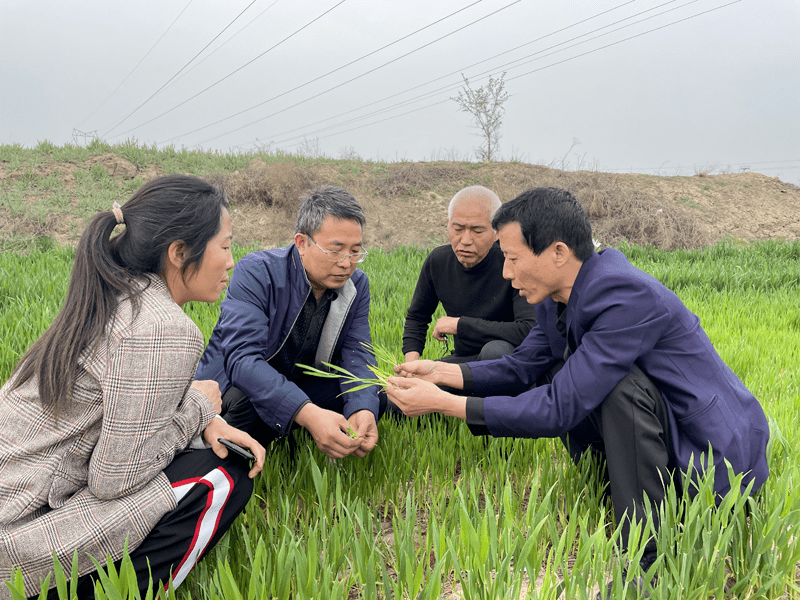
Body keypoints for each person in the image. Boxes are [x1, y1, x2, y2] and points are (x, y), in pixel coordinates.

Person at [386, 187, 770, 598]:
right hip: (669, 435)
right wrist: (441, 372)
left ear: (557, 252)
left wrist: (444, 404)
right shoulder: (557, 296)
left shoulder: (625, 295)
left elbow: (559, 407)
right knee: (560, 367)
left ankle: (653, 559)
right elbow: (521, 365)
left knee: (616, 389)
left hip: (714, 458)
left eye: (513, 259)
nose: (505, 273)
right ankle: (618, 491)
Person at [0, 175, 267, 600]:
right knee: (224, 474)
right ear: (179, 253)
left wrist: (205, 420)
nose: (232, 261)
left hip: (12, 504)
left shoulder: (111, 295)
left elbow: (130, 401)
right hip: (15, 549)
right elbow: (114, 478)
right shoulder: (163, 326)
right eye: (226, 245)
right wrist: (198, 408)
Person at [197, 185, 381, 460]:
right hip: (238, 389)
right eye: (336, 250)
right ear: (302, 242)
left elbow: (357, 352)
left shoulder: (356, 285)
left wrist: (362, 409)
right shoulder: (258, 272)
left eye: (355, 251)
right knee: (239, 425)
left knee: (376, 395)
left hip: (300, 383)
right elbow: (242, 360)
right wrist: (309, 414)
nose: (347, 263)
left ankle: (305, 422)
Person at [402, 185, 536, 364]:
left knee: (495, 351)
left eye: (477, 231)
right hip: (463, 360)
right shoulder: (438, 261)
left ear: (497, 231)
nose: (465, 240)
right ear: (448, 223)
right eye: (457, 229)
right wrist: (412, 365)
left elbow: (528, 329)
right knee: (394, 391)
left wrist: (460, 325)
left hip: (508, 362)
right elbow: (417, 317)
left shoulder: (512, 262)